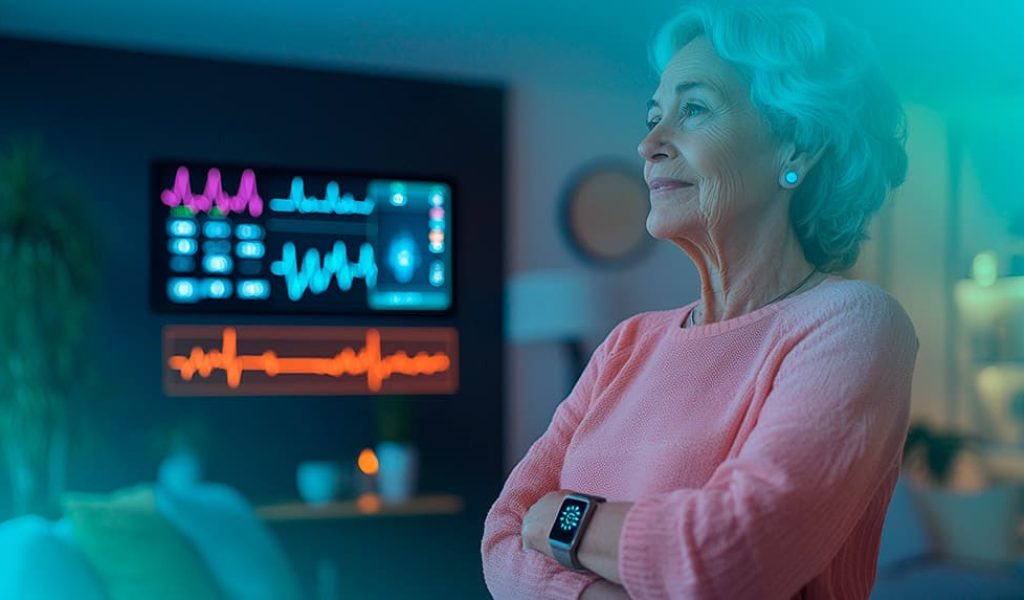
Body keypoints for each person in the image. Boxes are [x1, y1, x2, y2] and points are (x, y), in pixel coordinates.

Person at [481, 1, 918, 598]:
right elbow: (502, 536)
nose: (649, 144)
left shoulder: (853, 324)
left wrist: (559, 518)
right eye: (652, 116)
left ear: (797, 145)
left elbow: (733, 555)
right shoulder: (628, 344)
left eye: (693, 109)